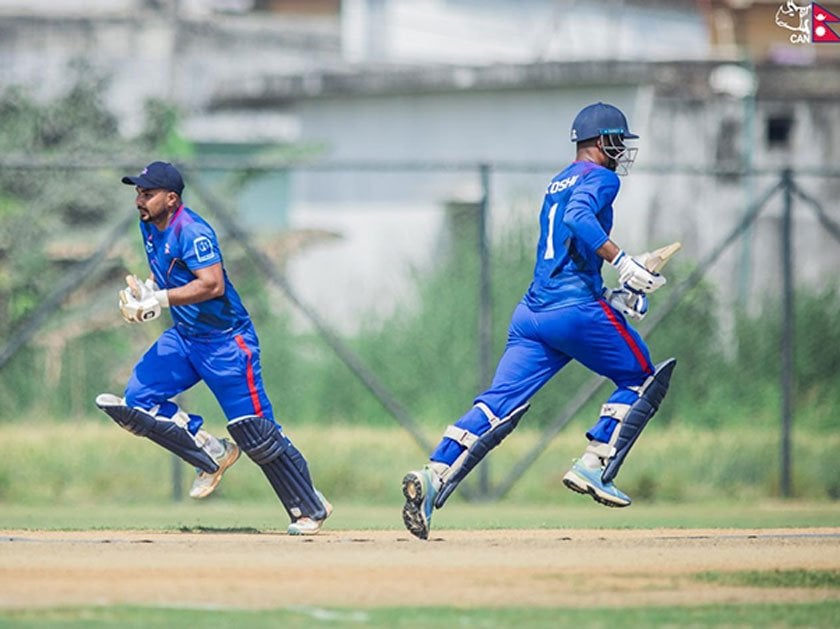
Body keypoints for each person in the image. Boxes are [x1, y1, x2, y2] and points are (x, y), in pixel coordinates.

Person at [401, 103, 677, 540]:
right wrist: (622, 262)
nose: (621, 149)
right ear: (599, 141)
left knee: (498, 404)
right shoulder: (599, 177)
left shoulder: (557, 181)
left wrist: (610, 295)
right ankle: (594, 465)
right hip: (573, 311)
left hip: (533, 313)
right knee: (642, 377)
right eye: (617, 140)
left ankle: (433, 474)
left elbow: (565, 255)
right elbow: (579, 219)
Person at [95, 161, 331, 536]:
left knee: (255, 431)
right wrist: (147, 291)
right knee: (137, 402)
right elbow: (168, 273)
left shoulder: (193, 231)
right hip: (185, 337)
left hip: (227, 343)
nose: (139, 200)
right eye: (138, 192)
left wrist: (160, 300)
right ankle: (212, 452)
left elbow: (212, 284)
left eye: (147, 193)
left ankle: (309, 506)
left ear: (171, 199)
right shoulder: (149, 226)